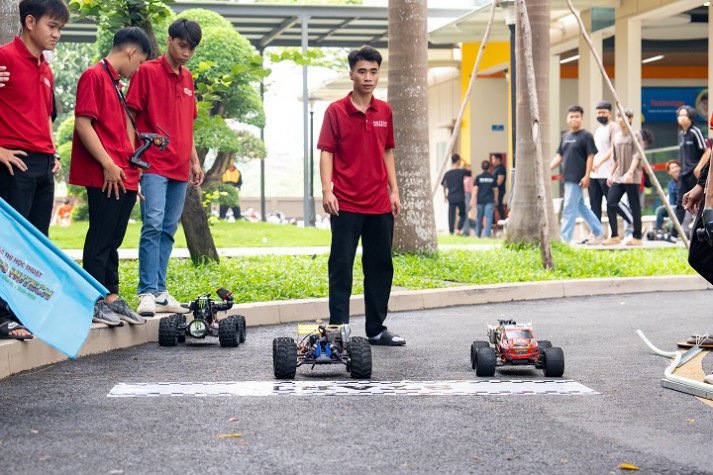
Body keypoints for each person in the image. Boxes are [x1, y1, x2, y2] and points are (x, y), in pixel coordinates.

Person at [318, 45, 404, 346]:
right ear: (352, 74)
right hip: (346, 203)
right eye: (362, 71)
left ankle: (376, 329)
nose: (368, 77)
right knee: (341, 266)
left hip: (379, 203)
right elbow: (326, 152)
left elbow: (386, 151)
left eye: (374, 71)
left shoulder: (385, 111)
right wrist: (327, 190)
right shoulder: (336, 111)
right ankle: (338, 328)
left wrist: (394, 191)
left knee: (380, 266)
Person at [69, 27, 150, 327]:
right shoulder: (94, 76)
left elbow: (121, 133)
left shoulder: (116, 83)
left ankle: (111, 296)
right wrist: (106, 162)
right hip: (105, 175)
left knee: (113, 239)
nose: (137, 69)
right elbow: (83, 123)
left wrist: (132, 176)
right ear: (131, 53)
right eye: (139, 62)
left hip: (122, 174)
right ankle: (93, 299)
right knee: (101, 237)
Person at [0, 0, 69, 340]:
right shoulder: (4, 57)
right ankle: (2, 317)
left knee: (35, 245)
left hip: (44, 164)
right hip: (15, 162)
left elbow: (43, 116)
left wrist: (53, 151)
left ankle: (24, 312)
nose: (56, 34)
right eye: (51, 26)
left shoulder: (45, 67)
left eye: (60, 29)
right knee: (8, 244)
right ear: (30, 22)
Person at [126, 19, 204, 317]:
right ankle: (146, 291)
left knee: (169, 230)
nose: (186, 53)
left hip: (180, 168)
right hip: (153, 164)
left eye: (192, 48)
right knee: (153, 225)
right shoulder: (146, 71)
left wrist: (195, 161)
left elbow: (187, 124)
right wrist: (133, 161)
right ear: (169, 40)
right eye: (182, 45)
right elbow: (130, 117)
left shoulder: (187, 78)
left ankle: (160, 291)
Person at [550, 105, 605, 245]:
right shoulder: (565, 137)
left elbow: (590, 156)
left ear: (581, 118)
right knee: (581, 207)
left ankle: (565, 239)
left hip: (578, 178)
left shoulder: (586, 136)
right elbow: (560, 156)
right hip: (567, 177)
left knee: (569, 208)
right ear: (567, 119)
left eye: (577, 116)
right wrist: (547, 169)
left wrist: (587, 176)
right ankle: (598, 231)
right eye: (571, 116)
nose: (574, 119)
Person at [603, 108, 643, 246]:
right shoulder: (617, 136)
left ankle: (637, 237)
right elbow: (615, 159)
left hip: (632, 177)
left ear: (630, 119)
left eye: (624, 117)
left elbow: (637, 156)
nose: (620, 119)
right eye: (618, 117)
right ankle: (614, 235)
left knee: (635, 206)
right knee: (610, 203)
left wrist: (630, 173)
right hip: (618, 176)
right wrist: (610, 174)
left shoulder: (636, 135)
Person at [673, 105, 710, 239]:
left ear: (690, 117)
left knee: (699, 202)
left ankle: (703, 229)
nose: (681, 118)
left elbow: (707, 150)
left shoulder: (695, 131)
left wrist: (698, 168)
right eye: (680, 115)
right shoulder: (681, 134)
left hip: (694, 173)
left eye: (684, 115)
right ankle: (675, 233)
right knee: (679, 203)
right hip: (683, 173)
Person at [588, 101, 619, 232]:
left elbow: (613, 148)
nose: (601, 115)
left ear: (610, 113)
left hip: (607, 174)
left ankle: (616, 233)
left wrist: (600, 162)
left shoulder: (614, 127)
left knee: (611, 204)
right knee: (594, 205)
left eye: (603, 112)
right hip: (594, 174)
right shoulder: (599, 129)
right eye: (598, 112)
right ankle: (596, 233)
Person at [441, 154, 471, 235]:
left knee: (451, 215)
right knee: (463, 214)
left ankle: (451, 231)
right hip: (460, 196)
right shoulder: (461, 172)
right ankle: (458, 228)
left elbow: (444, 185)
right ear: (458, 161)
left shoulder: (447, 173)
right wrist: (464, 160)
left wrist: (444, 195)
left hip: (451, 196)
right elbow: (469, 171)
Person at [470, 159, 498, 238]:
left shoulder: (479, 177)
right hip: (489, 200)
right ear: (489, 167)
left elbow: (475, 189)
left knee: (479, 217)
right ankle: (486, 235)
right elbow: (496, 190)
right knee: (489, 217)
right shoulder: (492, 177)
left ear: (482, 167)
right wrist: (496, 199)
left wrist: (472, 199)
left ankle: (477, 234)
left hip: (480, 200)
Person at [654, 160, 680, 232]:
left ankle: (673, 231)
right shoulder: (670, 184)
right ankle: (658, 231)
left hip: (684, 206)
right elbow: (671, 200)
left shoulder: (685, 180)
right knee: (660, 210)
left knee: (672, 208)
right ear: (669, 172)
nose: (675, 169)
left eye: (677, 166)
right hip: (674, 206)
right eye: (672, 168)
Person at [492, 153, 507, 224]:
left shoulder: (501, 168)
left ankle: (502, 220)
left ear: (498, 159)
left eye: (494, 159)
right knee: (494, 205)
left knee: (499, 205)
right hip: (495, 190)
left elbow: (500, 180)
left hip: (499, 190)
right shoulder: (495, 168)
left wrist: (495, 187)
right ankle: (493, 222)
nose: (492, 161)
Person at [462, 166, 474, 237]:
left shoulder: (470, 179)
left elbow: (473, 190)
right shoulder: (462, 178)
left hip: (467, 195)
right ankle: (475, 224)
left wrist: (473, 200)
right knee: (464, 214)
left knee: (465, 213)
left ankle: (466, 231)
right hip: (462, 196)